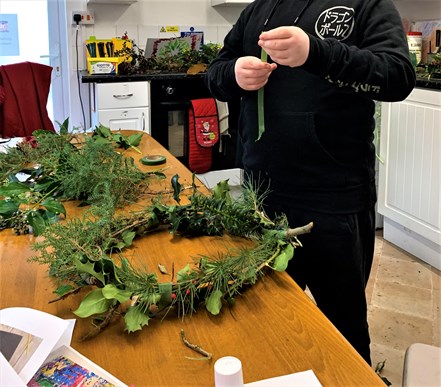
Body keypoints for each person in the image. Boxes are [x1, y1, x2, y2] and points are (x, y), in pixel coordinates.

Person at [205, 0, 415, 365]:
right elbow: (215, 72)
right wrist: (233, 75)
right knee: (267, 321)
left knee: (343, 329)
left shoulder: (367, 5)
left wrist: (316, 53)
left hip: (334, 200)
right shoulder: (258, 10)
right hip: (262, 199)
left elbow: (398, 77)